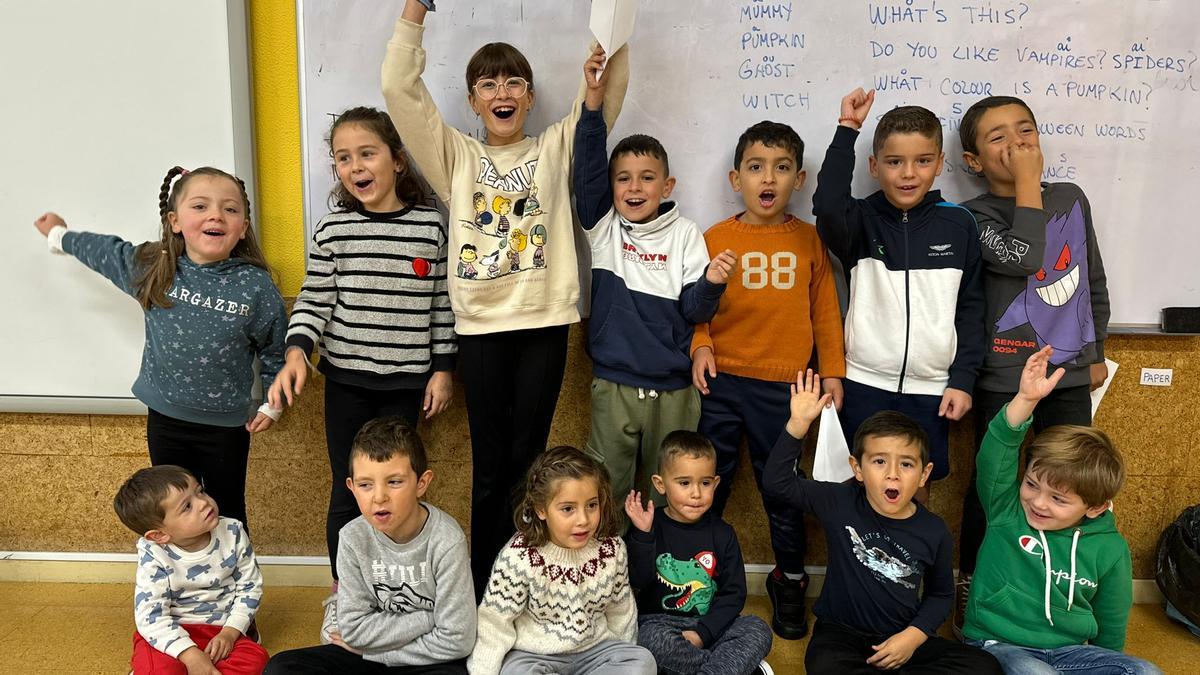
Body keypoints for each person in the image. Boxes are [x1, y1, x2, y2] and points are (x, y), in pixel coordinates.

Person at [381, 0, 630, 598]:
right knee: (491, 465)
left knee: (530, 461)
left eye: (514, 81)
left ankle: (527, 582)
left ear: (529, 95)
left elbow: (609, 90)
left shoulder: (556, 147)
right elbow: (398, 87)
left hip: (546, 322)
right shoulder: (456, 156)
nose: (501, 91)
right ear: (472, 101)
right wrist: (414, 10)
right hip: (482, 330)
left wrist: (613, 43)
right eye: (487, 83)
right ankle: (483, 586)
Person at [267, 106, 455, 639]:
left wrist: (443, 370)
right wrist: (298, 349)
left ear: (397, 160)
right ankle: (345, 594)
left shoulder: (429, 226)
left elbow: (442, 306)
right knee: (349, 491)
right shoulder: (335, 227)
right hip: (347, 382)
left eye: (366, 153)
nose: (355, 166)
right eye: (343, 158)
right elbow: (316, 297)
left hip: (406, 385)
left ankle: (400, 590)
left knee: (396, 492)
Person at [35, 167, 285, 528]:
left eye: (230, 210)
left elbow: (276, 350)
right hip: (166, 421)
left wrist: (273, 405)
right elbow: (107, 252)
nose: (216, 215)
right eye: (200, 206)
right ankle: (180, 581)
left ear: (243, 227)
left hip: (226, 428)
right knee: (172, 512)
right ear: (175, 221)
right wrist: (59, 235)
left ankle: (234, 581)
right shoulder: (155, 267)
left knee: (227, 511)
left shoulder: (256, 286)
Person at [954, 96, 1111, 633]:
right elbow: (1025, 257)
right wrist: (1026, 183)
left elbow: (1089, 280)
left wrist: (1098, 352)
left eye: (1025, 131)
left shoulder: (1071, 197)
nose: (1017, 144)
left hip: (1068, 369)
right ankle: (974, 583)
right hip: (1004, 375)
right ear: (973, 161)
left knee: (1069, 481)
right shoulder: (973, 215)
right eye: (998, 137)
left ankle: (1057, 589)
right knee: (993, 486)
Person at [690, 120, 846, 639]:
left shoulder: (808, 240)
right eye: (756, 167)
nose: (768, 178)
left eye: (781, 168)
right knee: (709, 484)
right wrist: (701, 345)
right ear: (737, 178)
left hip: (787, 389)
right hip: (723, 384)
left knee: (781, 492)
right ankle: (696, 579)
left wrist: (833, 373)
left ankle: (790, 581)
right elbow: (696, 309)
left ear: (798, 179)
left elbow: (825, 312)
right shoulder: (714, 237)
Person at [763, 370, 1002, 674]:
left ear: (924, 474)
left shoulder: (934, 530)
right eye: (879, 461)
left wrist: (912, 638)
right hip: (840, 637)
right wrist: (798, 424)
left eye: (906, 464)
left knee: (985, 667)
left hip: (902, 637)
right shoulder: (839, 500)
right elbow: (776, 483)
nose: (893, 474)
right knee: (823, 665)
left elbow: (940, 595)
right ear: (857, 469)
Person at [573, 56, 732, 513]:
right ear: (611, 186)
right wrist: (593, 105)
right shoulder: (603, 227)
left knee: (670, 492)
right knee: (607, 484)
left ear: (668, 185)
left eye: (647, 178)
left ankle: (661, 570)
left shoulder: (686, 235)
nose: (634, 187)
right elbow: (586, 168)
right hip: (614, 384)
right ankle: (612, 568)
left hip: (675, 390)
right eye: (623, 178)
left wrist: (712, 284)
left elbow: (696, 312)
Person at [812, 87, 985, 503]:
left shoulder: (959, 225)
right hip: (864, 382)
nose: (908, 173)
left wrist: (962, 380)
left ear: (940, 164)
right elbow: (826, 205)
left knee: (913, 487)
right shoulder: (859, 221)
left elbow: (972, 309)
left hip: (931, 387)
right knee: (859, 485)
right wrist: (847, 129)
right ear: (873, 166)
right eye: (894, 162)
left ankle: (911, 571)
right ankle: (858, 568)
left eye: (923, 161)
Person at [961, 347, 1160, 674]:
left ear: (1095, 507)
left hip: (1069, 652)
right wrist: (1025, 399)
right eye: (1032, 484)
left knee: (1144, 671)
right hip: (998, 645)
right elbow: (995, 454)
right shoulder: (1006, 510)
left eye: (1058, 499)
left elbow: (1112, 620)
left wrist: (1109, 663)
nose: (1038, 502)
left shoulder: (1109, 549)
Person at [265, 417, 475, 674]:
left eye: (394, 482)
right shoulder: (352, 537)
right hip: (370, 653)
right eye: (365, 485)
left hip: (423, 656)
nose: (379, 497)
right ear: (352, 488)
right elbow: (353, 631)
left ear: (422, 483)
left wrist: (379, 654)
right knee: (282, 667)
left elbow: (458, 639)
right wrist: (431, 618)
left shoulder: (447, 539)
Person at [469, 446, 655, 675]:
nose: (583, 520)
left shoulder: (611, 549)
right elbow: (495, 623)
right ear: (541, 509)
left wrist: (622, 654)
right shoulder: (519, 556)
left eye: (592, 505)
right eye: (568, 509)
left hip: (595, 651)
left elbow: (621, 610)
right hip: (535, 656)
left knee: (642, 661)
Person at [624, 431, 774, 675]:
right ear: (660, 484)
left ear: (715, 484)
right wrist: (643, 535)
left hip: (711, 625)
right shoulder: (649, 526)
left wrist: (703, 633)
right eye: (684, 483)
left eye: (705, 483)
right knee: (645, 641)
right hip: (659, 625)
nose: (696, 493)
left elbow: (733, 595)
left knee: (757, 628)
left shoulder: (723, 533)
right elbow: (638, 580)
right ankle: (730, 668)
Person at [114, 465, 267, 675]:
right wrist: (189, 654)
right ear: (159, 536)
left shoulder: (233, 532)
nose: (203, 503)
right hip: (170, 633)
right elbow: (151, 617)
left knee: (257, 662)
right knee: (155, 669)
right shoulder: (154, 554)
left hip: (221, 628)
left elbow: (249, 588)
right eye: (187, 506)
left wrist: (231, 632)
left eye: (200, 491)